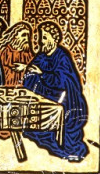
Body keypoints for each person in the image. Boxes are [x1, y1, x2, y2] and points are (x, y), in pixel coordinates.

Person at [22, 21, 89, 161]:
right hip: (44, 96)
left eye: (45, 37)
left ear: (55, 38)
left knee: (64, 139)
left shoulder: (62, 56)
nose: (41, 41)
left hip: (65, 100)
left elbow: (63, 82)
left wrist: (42, 74)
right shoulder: (41, 56)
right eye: (40, 37)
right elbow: (29, 75)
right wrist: (34, 76)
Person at [0, 20, 34, 87]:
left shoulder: (29, 54)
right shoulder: (3, 52)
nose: (27, 38)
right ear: (14, 37)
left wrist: (25, 67)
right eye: (23, 35)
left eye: (28, 35)